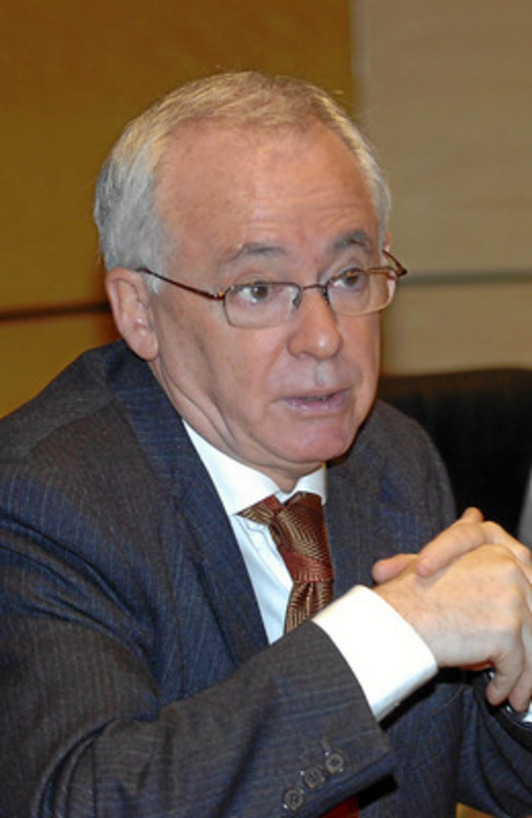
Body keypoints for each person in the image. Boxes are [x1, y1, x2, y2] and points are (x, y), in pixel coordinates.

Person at [0, 71, 531, 818]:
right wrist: (394, 631)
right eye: (258, 289)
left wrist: (525, 658)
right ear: (139, 310)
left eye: (350, 276)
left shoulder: (389, 458)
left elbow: (483, 764)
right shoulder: (43, 498)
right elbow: (89, 802)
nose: (325, 338)